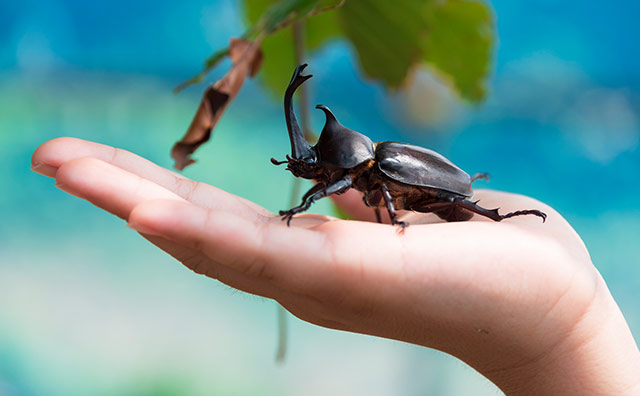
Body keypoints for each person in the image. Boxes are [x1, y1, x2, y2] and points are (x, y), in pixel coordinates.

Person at [32, 137, 640, 395]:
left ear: (339, 162)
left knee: (451, 204)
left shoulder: (379, 166)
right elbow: (345, 186)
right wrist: (564, 334)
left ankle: (493, 217)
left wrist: (561, 328)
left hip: (446, 190)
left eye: (315, 165)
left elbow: (429, 196)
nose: (309, 170)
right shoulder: (359, 170)